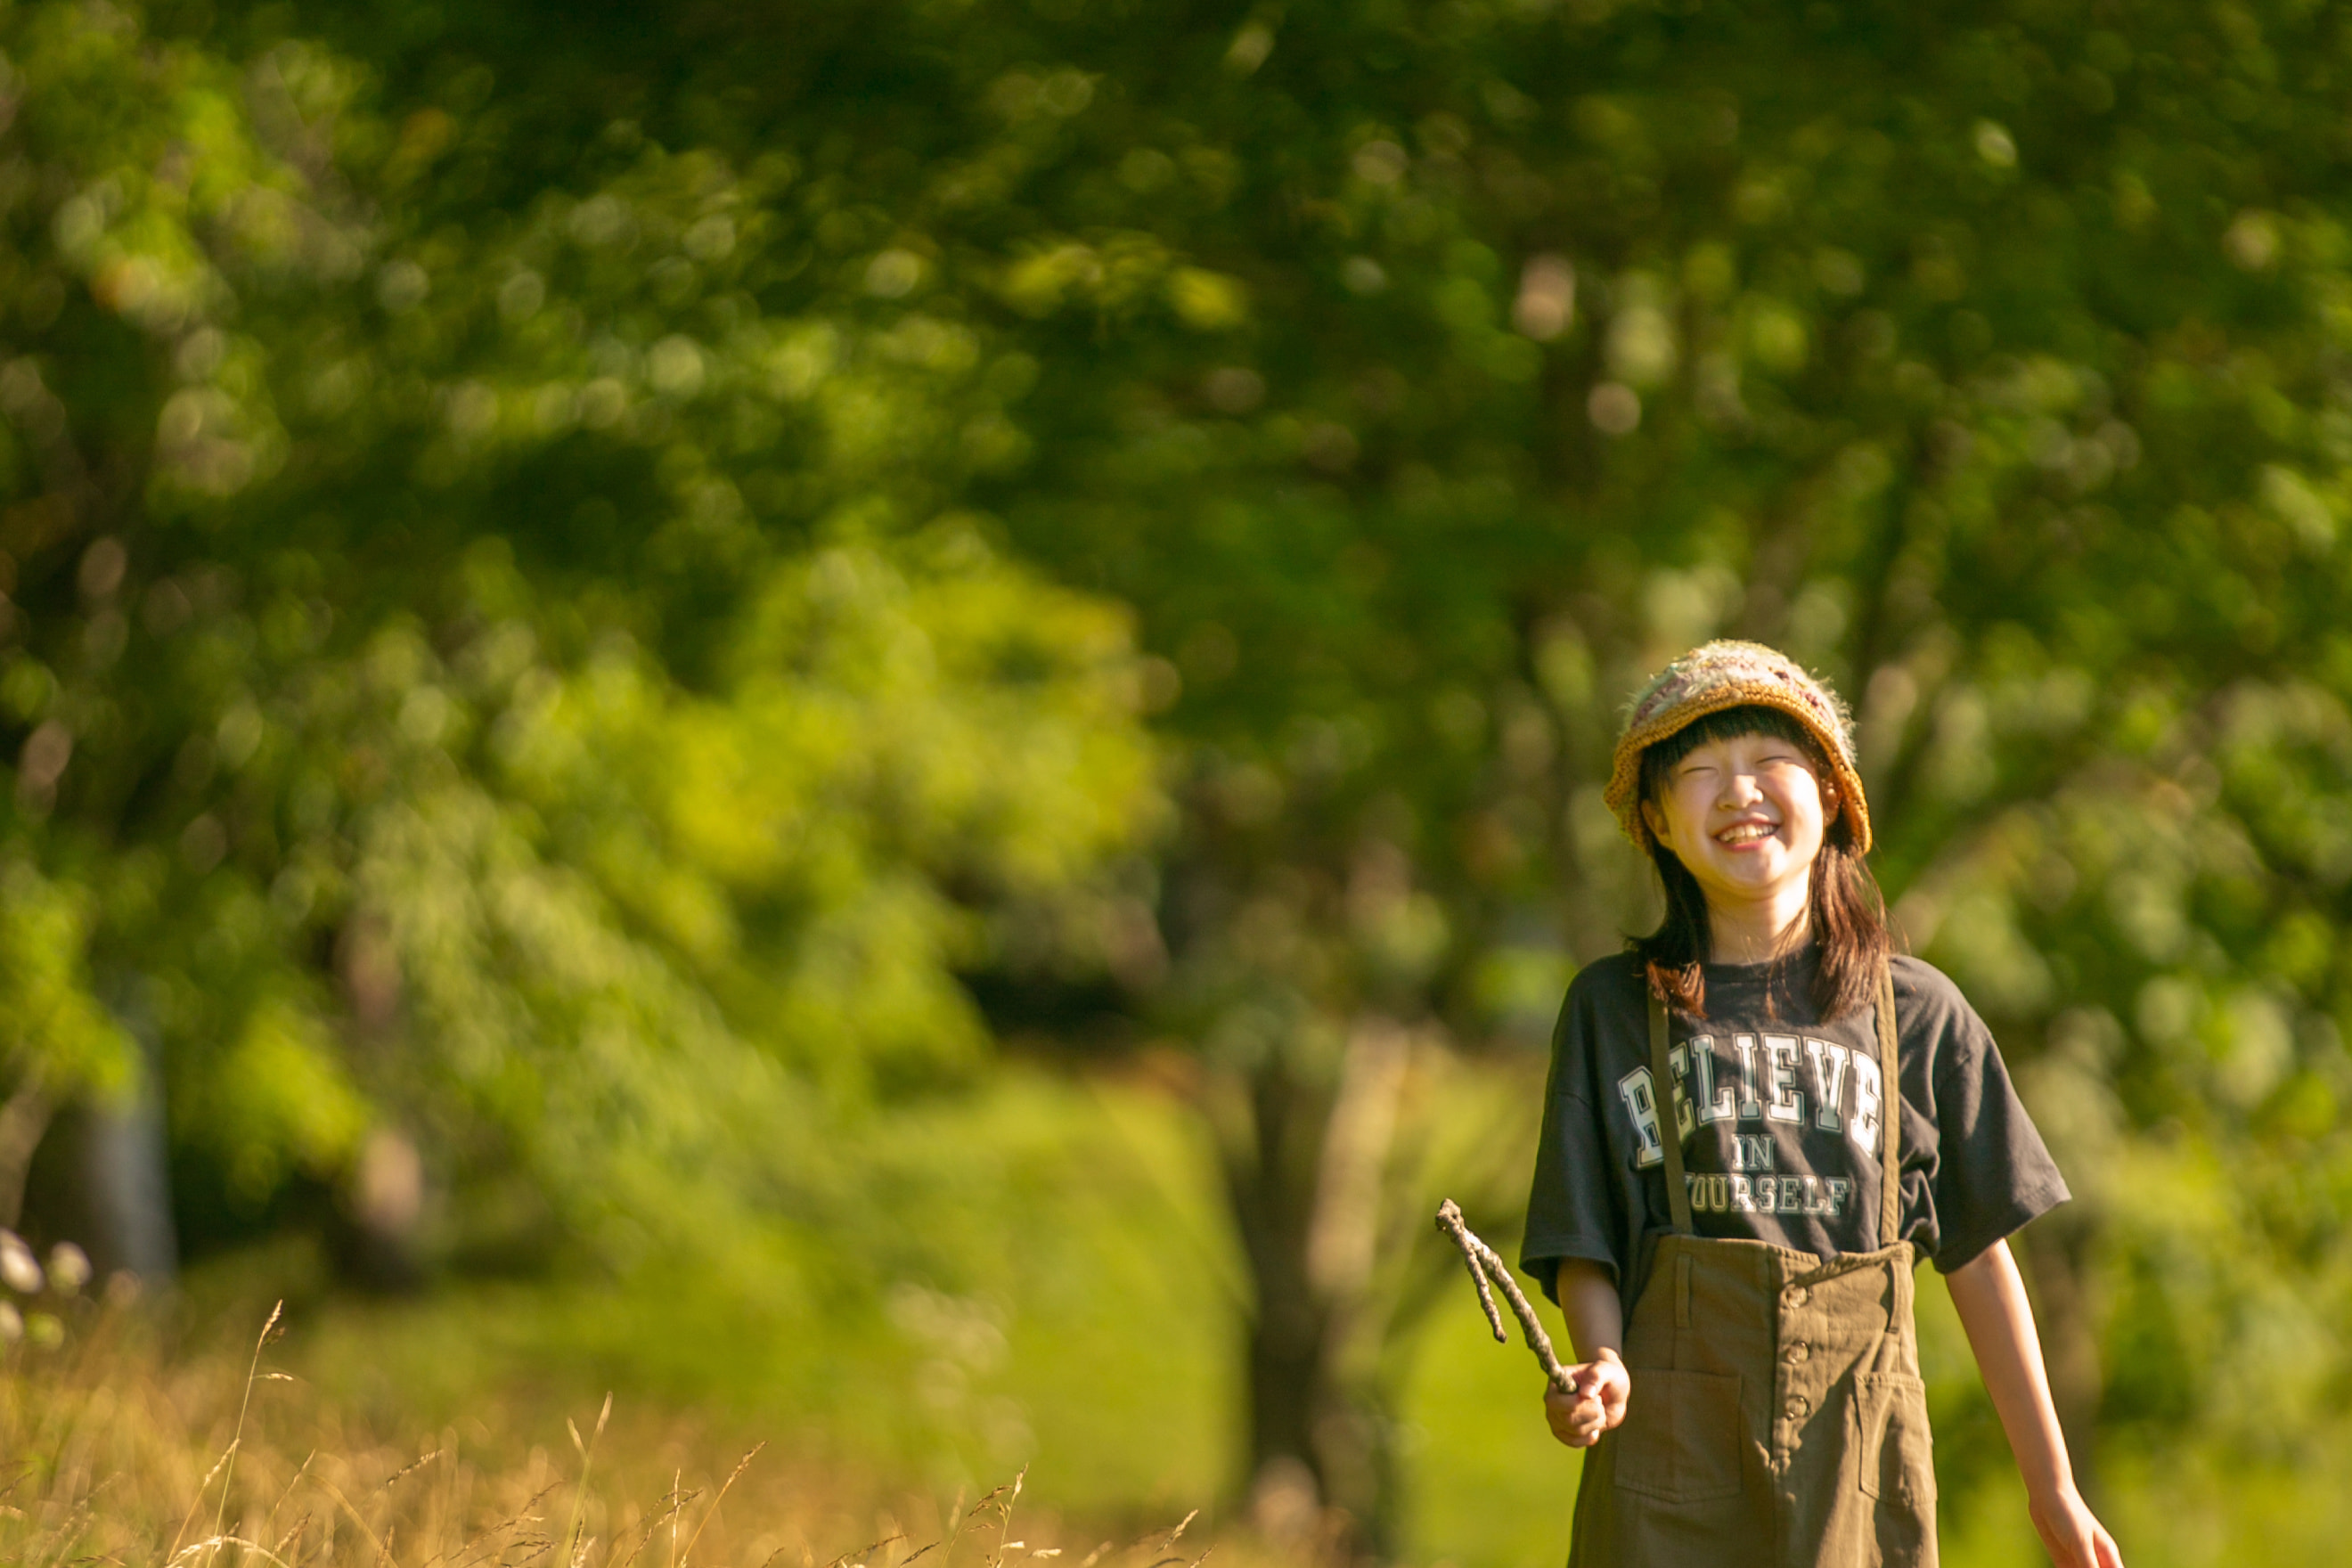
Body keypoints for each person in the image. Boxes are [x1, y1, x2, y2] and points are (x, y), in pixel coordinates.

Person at [1518, 641, 2123, 1568]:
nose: (1739, 792)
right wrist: (1600, 1364)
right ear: (1657, 821)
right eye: (1699, 774)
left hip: (1861, 1444)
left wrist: (2052, 1485)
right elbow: (1583, 1234)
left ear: (1832, 795)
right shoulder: (1611, 1007)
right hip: (1670, 1455)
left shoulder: (1918, 1012)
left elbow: (1980, 1254)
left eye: (1770, 762)